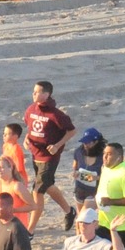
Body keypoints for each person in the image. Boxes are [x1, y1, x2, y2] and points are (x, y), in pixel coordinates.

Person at [24, 81, 79, 228]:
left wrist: (57, 145)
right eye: (33, 91)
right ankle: (69, 211)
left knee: (38, 190)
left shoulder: (56, 114)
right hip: (35, 154)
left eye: (38, 92)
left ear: (47, 94)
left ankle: (30, 230)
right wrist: (26, 139)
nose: (34, 94)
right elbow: (29, 127)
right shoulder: (30, 109)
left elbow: (72, 131)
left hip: (49, 157)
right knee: (47, 186)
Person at [66, 127, 108, 224]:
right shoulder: (78, 152)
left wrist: (97, 178)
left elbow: (110, 176)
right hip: (80, 189)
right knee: (80, 219)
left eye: (88, 142)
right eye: (84, 142)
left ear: (96, 141)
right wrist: (75, 172)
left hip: (95, 191)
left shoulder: (104, 156)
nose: (85, 145)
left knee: (84, 218)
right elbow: (75, 165)